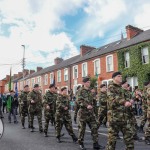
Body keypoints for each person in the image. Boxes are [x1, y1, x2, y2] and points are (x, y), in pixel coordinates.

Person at [106, 72, 134, 150]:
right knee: (112, 142)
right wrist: (124, 102)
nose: (121, 77)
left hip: (124, 117)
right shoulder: (110, 87)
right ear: (114, 78)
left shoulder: (121, 88)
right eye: (119, 76)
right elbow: (113, 99)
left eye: (121, 76)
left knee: (129, 139)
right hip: (114, 118)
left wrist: (130, 101)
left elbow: (126, 98)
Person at [78, 77, 105, 150]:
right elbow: (79, 101)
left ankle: (95, 144)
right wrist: (87, 105)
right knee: (82, 130)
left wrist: (95, 110)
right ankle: (81, 143)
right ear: (83, 83)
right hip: (83, 113)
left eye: (89, 82)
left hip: (91, 113)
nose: (89, 83)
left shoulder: (90, 91)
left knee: (94, 128)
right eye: (87, 82)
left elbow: (93, 101)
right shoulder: (80, 91)